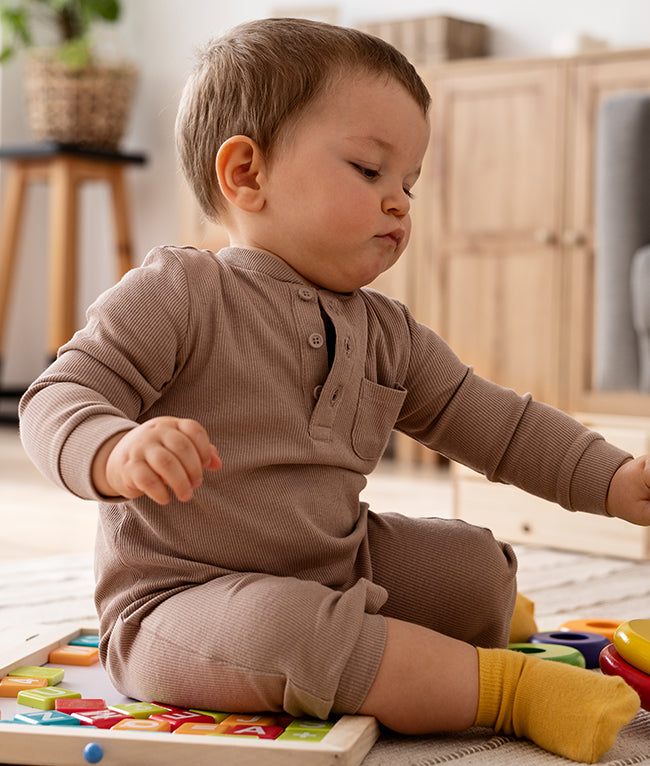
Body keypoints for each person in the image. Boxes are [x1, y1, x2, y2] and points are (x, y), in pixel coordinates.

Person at [19, 17, 647, 763]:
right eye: (369, 170)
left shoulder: (388, 331)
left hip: (338, 564)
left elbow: (498, 424)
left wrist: (612, 477)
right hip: (181, 604)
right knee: (291, 632)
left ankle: (441, 636)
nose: (401, 204)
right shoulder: (180, 291)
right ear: (245, 173)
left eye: (408, 183)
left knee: (479, 569)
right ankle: (504, 691)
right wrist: (115, 449)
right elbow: (56, 397)